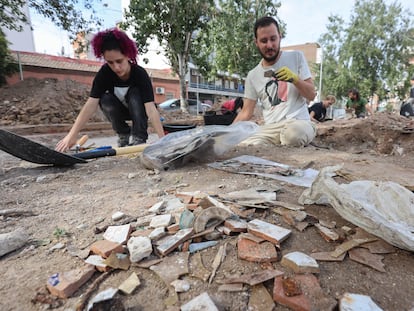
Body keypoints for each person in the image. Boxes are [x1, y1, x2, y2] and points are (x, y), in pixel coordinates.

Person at [55, 28, 165, 152]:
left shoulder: (140, 74)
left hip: (139, 111)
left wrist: (163, 141)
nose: (116, 67)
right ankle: (123, 134)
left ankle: (138, 138)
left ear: (128, 55)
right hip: (119, 112)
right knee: (104, 98)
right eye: (110, 62)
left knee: (135, 93)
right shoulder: (104, 74)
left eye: (119, 61)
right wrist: (71, 135)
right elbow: (90, 104)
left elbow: (150, 108)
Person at [233, 16, 316, 147]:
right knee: (242, 144)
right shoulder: (253, 75)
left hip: (298, 122)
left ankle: (289, 140)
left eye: (273, 39)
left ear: (280, 37)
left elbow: (311, 95)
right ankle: (277, 143)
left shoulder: (296, 57)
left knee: (292, 136)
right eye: (264, 41)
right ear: (256, 42)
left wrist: (295, 79)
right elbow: (246, 112)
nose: (269, 45)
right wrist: (227, 132)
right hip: (270, 128)